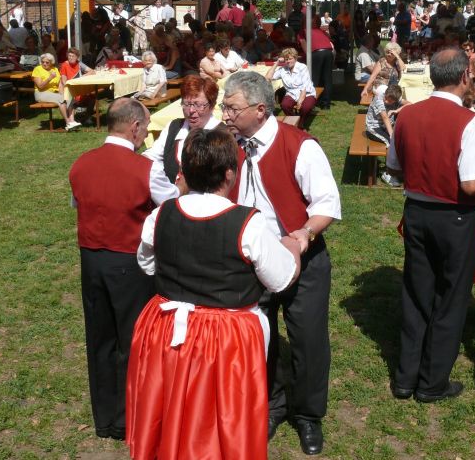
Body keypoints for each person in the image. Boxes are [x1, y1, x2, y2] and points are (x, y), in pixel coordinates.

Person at [126, 128, 301, 460]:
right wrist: (292, 248)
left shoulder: (160, 215)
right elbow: (280, 279)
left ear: (186, 172)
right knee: (220, 417)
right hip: (226, 336)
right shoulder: (248, 223)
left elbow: (147, 264)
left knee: (172, 402)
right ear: (229, 174)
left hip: (167, 328)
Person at [221, 71, 341, 455]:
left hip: (301, 258)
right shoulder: (231, 146)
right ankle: (272, 405)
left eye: (232, 108)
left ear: (260, 110)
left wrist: (303, 235)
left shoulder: (299, 145)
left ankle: (307, 415)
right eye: (224, 107)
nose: (224, 115)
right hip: (250, 260)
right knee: (260, 337)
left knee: (308, 340)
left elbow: (327, 204)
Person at [385, 48, 475, 403]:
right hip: (456, 216)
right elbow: (472, 185)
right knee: (451, 298)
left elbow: (394, 167)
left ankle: (406, 378)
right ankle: (432, 382)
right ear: (465, 76)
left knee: (417, 292)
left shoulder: (406, 115)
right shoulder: (472, 122)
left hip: (417, 211)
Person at [69, 98, 178, 441]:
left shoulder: (81, 164)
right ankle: (127, 417)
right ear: (134, 127)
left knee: (100, 338)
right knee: (132, 340)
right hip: (129, 262)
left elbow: (79, 201)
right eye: (145, 128)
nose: (145, 135)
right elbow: (172, 205)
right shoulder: (145, 169)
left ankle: (104, 418)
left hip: (91, 260)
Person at [143, 75, 221, 185]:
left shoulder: (222, 134)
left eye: (198, 105)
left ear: (212, 106)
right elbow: (152, 155)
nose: (191, 110)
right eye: (186, 104)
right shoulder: (174, 127)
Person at [32, 53, 79, 131]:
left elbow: (60, 84)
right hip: (41, 93)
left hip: (54, 93)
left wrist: (63, 94)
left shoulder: (55, 69)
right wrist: (49, 78)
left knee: (69, 96)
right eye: (43, 62)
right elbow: (40, 86)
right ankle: (68, 123)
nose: (44, 64)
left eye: (47, 62)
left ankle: (72, 121)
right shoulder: (37, 69)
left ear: (51, 62)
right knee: (60, 99)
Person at [270, 47, 318, 123]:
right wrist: (277, 63)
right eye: (286, 59)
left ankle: (301, 123)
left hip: (307, 93)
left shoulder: (302, 67)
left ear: (295, 58)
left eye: (290, 59)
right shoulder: (283, 69)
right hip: (292, 93)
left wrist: (300, 100)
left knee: (305, 107)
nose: (288, 61)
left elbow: (305, 86)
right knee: (285, 105)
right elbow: (268, 77)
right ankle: (294, 121)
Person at [60, 47, 96, 124]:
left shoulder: (79, 63)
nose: (70, 58)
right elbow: (64, 81)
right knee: (71, 98)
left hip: (80, 90)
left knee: (93, 98)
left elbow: (92, 71)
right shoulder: (64, 65)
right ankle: (71, 121)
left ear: (77, 57)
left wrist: (82, 77)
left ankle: (87, 117)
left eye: (73, 56)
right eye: (69, 56)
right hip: (70, 91)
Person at [365, 82, 405, 148]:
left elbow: (410, 104)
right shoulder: (379, 99)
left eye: (390, 101)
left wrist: (396, 110)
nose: (386, 101)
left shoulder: (395, 98)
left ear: (395, 100)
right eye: (386, 98)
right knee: (392, 142)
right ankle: (391, 155)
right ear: (385, 93)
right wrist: (392, 135)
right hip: (373, 128)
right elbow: (385, 117)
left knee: (401, 138)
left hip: (385, 126)